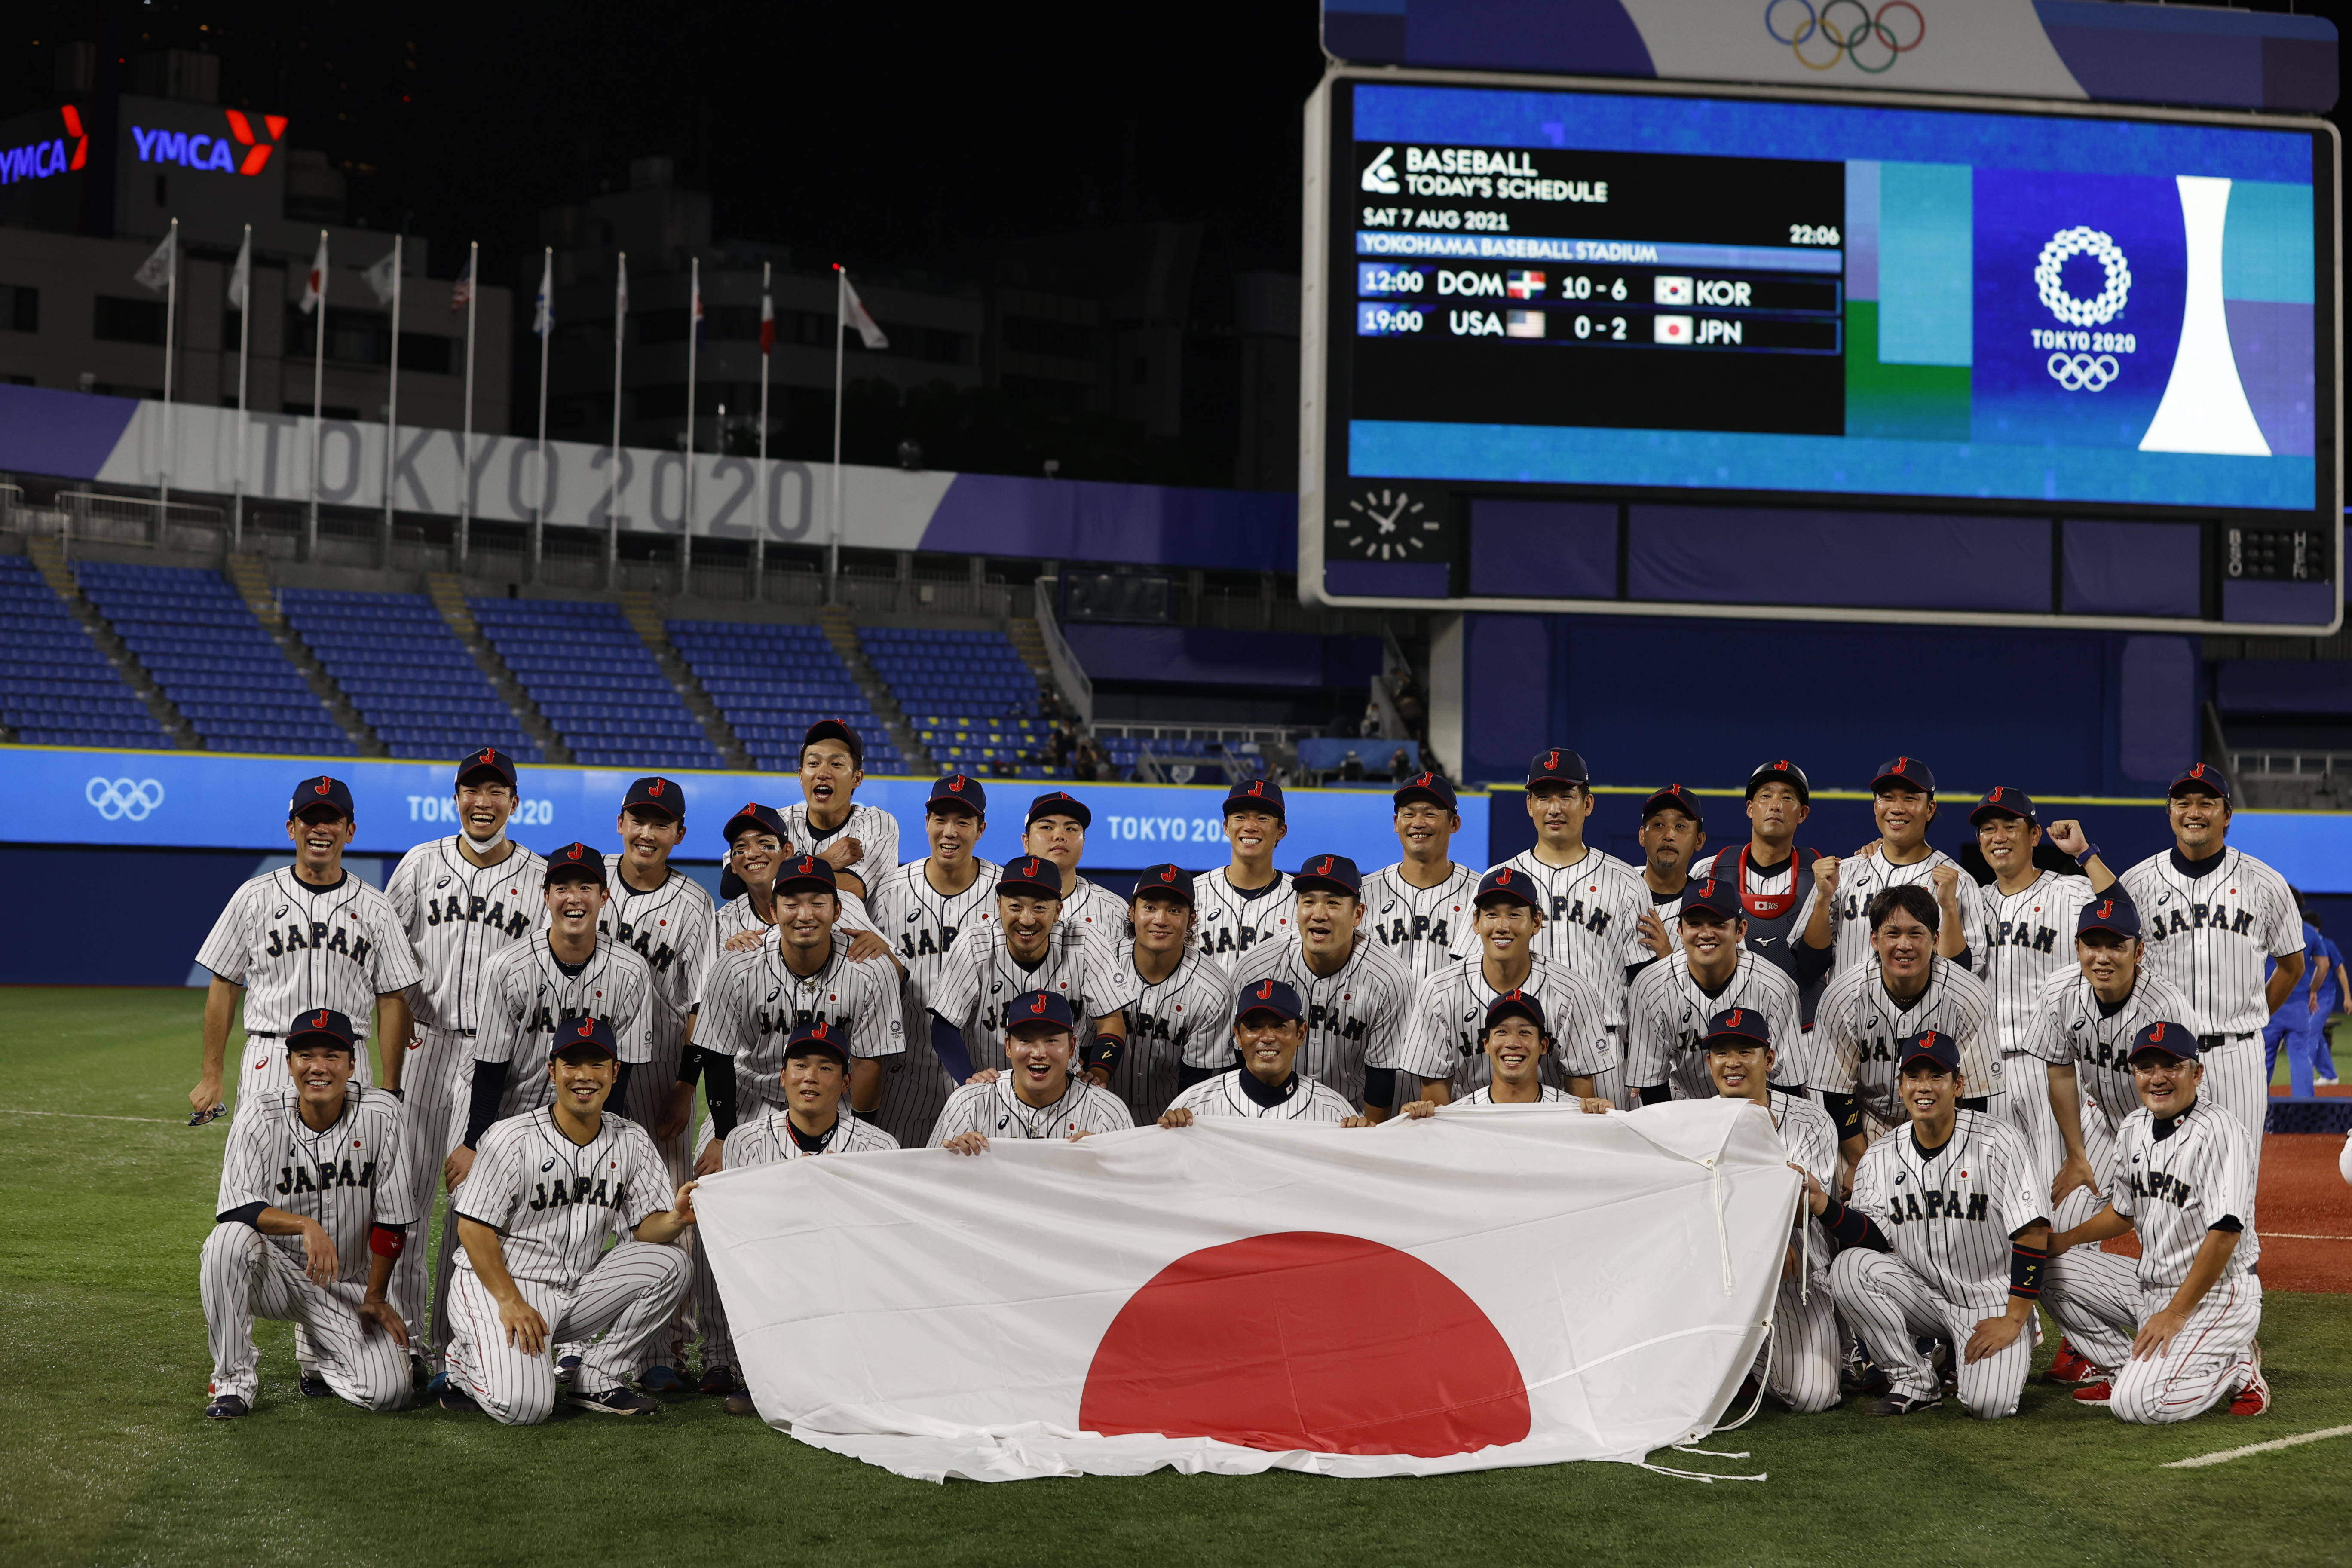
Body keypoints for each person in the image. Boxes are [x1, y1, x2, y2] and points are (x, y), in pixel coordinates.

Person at [441, 1017, 698, 1423]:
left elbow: (645, 1229)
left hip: (572, 1292)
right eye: (572, 1064)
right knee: (526, 1408)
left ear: (615, 1072)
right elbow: (472, 1228)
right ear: (553, 1071)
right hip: (498, 1287)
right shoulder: (511, 1138)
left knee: (672, 1262)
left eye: (597, 1065)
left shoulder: (631, 1139)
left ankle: (598, 1378)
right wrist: (510, 1301)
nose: (584, 1077)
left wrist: (677, 1219)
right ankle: (463, 1363)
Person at [381, 747, 547, 1371]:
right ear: (457, 799)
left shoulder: (539, 876)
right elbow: (391, 973)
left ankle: (458, 1348)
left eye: (496, 791)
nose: (484, 801)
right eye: (472, 791)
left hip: (496, 1053)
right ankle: (406, 1347)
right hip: (427, 1040)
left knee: (471, 1207)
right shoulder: (422, 864)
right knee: (407, 1199)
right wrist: (390, 1078)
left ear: (514, 802)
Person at [1809, 1031, 2051, 1419]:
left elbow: (2033, 1232)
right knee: (1851, 1267)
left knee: (1990, 1406)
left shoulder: (2000, 1140)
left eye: (1936, 1076)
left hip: (1988, 1300)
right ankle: (1914, 1382)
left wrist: (2014, 1318)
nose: (1924, 1087)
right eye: (1914, 1077)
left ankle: (1991, 1343)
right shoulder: (1881, 1154)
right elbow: (1872, 1236)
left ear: (1958, 1086)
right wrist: (1824, 1205)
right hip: (1922, 1293)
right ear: (1902, 1085)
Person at [2045, 1022, 2269, 1421]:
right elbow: (2123, 1213)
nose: (2158, 1077)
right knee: (2046, 1267)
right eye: (2147, 1067)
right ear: (2135, 1075)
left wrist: (2177, 1312)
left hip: (2215, 1295)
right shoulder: (2133, 1128)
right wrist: (2064, 1240)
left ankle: (2236, 1364)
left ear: (2196, 1073)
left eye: (2172, 1066)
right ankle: (2122, 1366)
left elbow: (2225, 1233)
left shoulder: (2220, 1132)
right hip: (2151, 1289)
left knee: (2138, 1406)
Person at [199, 1008, 415, 1420]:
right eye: (306, 1056)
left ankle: (318, 1345)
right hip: (276, 1275)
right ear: (290, 1064)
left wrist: (375, 1297)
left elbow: (393, 1220)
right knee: (227, 1241)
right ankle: (232, 1382)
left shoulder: (382, 1113)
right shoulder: (260, 1113)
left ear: (353, 1064)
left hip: (347, 1286)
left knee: (390, 1393)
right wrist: (304, 1225)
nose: (318, 1068)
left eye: (332, 1056)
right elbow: (235, 1206)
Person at [2018, 895, 2193, 1385]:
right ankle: (2110, 1359)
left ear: (2138, 951)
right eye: (2092, 943)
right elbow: (2059, 1069)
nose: (2103, 955)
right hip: (2102, 1126)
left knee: (2173, 1253)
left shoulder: (2164, 1005)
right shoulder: (2061, 991)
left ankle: (2218, 1342)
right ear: (2077, 947)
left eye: (2115, 944)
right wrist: (2076, 1154)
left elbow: (2184, 1094)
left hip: (2168, 1131)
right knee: (2048, 1245)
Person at [695, 1019, 899, 1412]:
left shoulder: (879, 1145)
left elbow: (882, 1238)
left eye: (826, 1068)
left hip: (846, 1274)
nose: (811, 1078)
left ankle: (845, 1371)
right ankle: (751, 1368)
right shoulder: (746, 1140)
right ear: (784, 1075)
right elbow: (739, 1229)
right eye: (801, 1066)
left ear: (845, 1083)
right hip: (776, 1271)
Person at [190, 774, 419, 1120]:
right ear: (291, 828)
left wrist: (391, 1086)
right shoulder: (254, 897)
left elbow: (392, 1000)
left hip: (345, 1058)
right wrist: (211, 1076)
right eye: (310, 820)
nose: (320, 829)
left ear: (350, 831)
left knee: (346, 1171)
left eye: (332, 820)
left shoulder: (376, 907)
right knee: (259, 1170)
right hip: (270, 1054)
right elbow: (223, 987)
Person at [2117, 765, 2303, 1179]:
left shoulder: (2266, 883)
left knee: (2236, 1182)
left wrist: (2251, 1017)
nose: (2194, 812)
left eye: (2207, 803)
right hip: (2164, 1059)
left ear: (2228, 815)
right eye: (2183, 803)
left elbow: (2292, 966)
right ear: (2170, 813)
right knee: (2166, 1182)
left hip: (2238, 1055)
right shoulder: (2138, 882)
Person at [597, 776, 718, 1394]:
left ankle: (666, 1349)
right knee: (590, 1198)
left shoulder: (694, 903)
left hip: (660, 1070)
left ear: (678, 834)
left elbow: (702, 1004)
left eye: (661, 823)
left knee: (669, 1206)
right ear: (621, 823)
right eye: (638, 820)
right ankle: (586, 1342)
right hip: (588, 1069)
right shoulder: (589, 885)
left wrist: (683, 1084)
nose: (648, 832)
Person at [688, 853, 905, 1170]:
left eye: (818, 903)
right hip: (750, 1097)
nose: (805, 915)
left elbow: (867, 1063)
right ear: (773, 912)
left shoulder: (871, 969)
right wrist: (723, 1136)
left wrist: (860, 1132)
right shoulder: (736, 966)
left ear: (838, 911)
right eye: (792, 904)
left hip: (835, 1103)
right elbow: (717, 1054)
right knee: (708, 1189)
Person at [1966, 788, 2113, 1197]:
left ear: (2034, 836)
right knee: (1996, 1193)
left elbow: (2122, 911)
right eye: (1988, 829)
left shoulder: (2068, 892)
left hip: (2052, 1065)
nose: (1998, 837)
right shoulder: (1971, 902)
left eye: (2010, 827)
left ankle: (2076, 1263)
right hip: (1986, 1068)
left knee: (2065, 1188)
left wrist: (2085, 854)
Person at [1699, 1007, 1841, 1415]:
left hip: (1793, 1275)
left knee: (1815, 1396)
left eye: (1746, 1051)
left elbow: (1803, 1202)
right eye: (1722, 1052)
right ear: (1709, 1062)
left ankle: (1746, 1367)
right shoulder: (1694, 1120)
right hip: (1718, 1272)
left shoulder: (1810, 1120)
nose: (1733, 1063)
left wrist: (1772, 1244)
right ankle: (1737, 1364)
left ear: (1770, 1059)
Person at [1490, 749, 1646, 1107]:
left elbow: (1642, 980)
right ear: (1529, 805)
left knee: (1604, 1154)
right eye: (1543, 797)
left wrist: (1640, 1060)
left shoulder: (1625, 881)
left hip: (1603, 1044)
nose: (1554, 808)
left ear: (1588, 803)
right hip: (1518, 1045)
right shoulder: (1499, 880)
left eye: (1566, 796)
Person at [1387, 867, 1609, 1103]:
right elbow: (1436, 1101)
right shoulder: (1439, 990)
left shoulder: (1572, 991)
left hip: (1547, 1120)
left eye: (1514, 915)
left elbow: (1580, 1100)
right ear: (1476, 922)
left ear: (1536, 922)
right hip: (1468, 1124)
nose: (1502, 926)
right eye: (1491, 915)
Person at [1814, 885, 1998, 1169]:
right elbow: (1838, 1093)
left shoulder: (1968, 995)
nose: (1905, 945)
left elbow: (1974, 1096)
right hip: (1865, 1121)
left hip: (1944, 1123)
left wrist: (1952, 1155)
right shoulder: (1843, 997)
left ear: (1935, 939)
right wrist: (1860, 1165)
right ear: (1875, 940)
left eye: (1916, 934)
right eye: (1893, 934)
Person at [864, 775, 1004, 1146]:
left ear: (981, 829)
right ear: (927, 823)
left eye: (963, 822)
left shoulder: (1007, 895)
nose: (950, 832)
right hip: (903, 1072)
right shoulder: (889, 892)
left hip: (985, 1070)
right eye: (941, 819)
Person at [927, 855, 1127, 1089]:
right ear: (999, 905)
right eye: (1015, 906)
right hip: (993, 1086)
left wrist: (1099, 1071)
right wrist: (970, 1080)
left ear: (1058, 910)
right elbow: (944, 1025)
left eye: (1040, 908)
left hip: (1067, 1087)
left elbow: (1112, 1020)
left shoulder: (1084, 941)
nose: (1027, 919)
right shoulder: (976, 943)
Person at [1241, 854, 1414, 1115]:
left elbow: (1383, 1073)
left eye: (1333, 903)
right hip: (1268, 1114)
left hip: (1351, 1120)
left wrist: (1371, 1136)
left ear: (1358, 914)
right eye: (1309, 902)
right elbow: (1237, 1061)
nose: (1319, 915)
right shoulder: (1258, 967)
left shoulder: (1389, 977)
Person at [1799, 756, 1984, 979]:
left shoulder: (1959, 882)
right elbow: (1809, 964)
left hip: (1925, 1013)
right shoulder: (1843, 873)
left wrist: (1949, 909)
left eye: (1909, 799)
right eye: (1887, 798)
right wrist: (1823, 899)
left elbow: (1964, 974)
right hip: (1849, 1011)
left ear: (1930, 809)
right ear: (1875, 806)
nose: (1897, 809)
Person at [1625, 879, 1806, 1103]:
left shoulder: (1775, 987)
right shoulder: (1650, 986)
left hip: (1757, 1108)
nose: (1706, 934)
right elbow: (1652, 1085)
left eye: (1718, 924)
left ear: (1740, 931)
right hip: (1685, 1109)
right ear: (1680, 930)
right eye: (1695, 924)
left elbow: (1789, 1084)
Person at [1690, 760, 1834, 1025]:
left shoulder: (1823, 877)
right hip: (1726, 1031)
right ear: (1750, 809)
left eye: (1787, 798)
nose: (1776, 805)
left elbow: (1816, 966)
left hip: (1802, 1032)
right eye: (1766, 796)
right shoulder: (1709, 871)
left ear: (1802, 814)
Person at [1097, 864, 1236, 1120]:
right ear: (1132, 912)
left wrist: (1180, 1120)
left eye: (1174, 910)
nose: (1160, 920)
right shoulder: (1098, 964)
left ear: (1192, 918)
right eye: (1150, 907)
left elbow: (1199, 1082)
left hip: (1171, 1122)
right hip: (1094, 1114)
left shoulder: (1213, 989)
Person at [931, 990, 1136, 1149]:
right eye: (1026, 1040)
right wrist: (952, 1159)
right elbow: (926, 1184)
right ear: (1009, 1046)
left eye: (1052, 1040)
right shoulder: (968, 1104)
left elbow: (1134, 1193)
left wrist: (1110, 1164)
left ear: (1072, 1047)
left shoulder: (1108, 1113)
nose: (1039, 1053)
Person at [1160, 979, 1365, 1124]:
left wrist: (1363, 1140)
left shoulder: (1335, 1112)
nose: (1267, 1038)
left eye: (1280, 1026)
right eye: (1254, 1027)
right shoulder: (1195, 1106)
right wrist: (1171, 1129)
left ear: (1301, 1034)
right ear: (1238, 1037)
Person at [717, 799, 889, 955]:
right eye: (741, 847)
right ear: (732, 864)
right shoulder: (724, 922)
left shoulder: (839, 904)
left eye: (765, 843)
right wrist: (730, 957)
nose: (753, 854)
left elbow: (899, 969)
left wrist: (884, 952)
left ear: (787, 852)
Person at [1396, 991, 1614, 1111]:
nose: (1512, 1043)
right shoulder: (1461, 1113)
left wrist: (1606, 1120)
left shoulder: (1574, 1111)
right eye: (1501, 1032)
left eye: (1525, 1033)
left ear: (1543, 1046)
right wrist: (1415, 1125)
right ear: (1487, 1045)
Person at [1358, 771, 1480, 983]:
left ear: (1455, 824)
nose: (1418, 823)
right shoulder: (1362, 893)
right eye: (1409, 814)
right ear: (1396, 823)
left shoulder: (1481, 894)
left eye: (1430, 814)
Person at [779, 719, 900, 903]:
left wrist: (776, 878)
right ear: (801, 776)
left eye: (836, 764)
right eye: (814, 763)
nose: (823, 773)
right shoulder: (778, 822)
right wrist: (825, 861)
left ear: (857, 778)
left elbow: (855, 886)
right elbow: (733, 882)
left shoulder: (876, 822)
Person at [1191, 777, 1298, 962]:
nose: (1250, 827)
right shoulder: (1192, 894)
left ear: (1282, 831)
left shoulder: (1302, 901)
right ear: (1226, 827)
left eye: (1263, 818)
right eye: (1240, 817)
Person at [1022, 790, 1128, 946]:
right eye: (1046, 827)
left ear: (1084, 843)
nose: (1059, 836)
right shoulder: (998, 900)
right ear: (1026, 842)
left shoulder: (1115, 910)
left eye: (1071, 829)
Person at [2263, 895, 2339, 1098]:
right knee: (2301, 1057)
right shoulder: (2310, 932)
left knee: (2263, 1058)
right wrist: (2313, 991)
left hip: (2269, 1004)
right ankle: (2304, 1109)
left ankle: (2257, 1106)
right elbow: (2324, 966)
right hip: (2299, 1007)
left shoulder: (2264, 925)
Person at [1629, 783, 1707, 966]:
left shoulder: (1711, 908)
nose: (1669, 835)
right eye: (1658, 825)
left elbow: (1729, 984)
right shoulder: (1613, 886)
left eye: (1680, 826)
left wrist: (1668, 958)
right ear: (1642, 836)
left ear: (1699, 840)